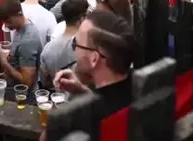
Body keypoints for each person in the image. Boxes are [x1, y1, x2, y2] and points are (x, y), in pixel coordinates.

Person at [48, 10, 135, 140]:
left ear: (94, 59)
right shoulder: (140, 85)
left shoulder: (77, 121)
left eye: (76, 44)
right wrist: (83, 91)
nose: (75, 50)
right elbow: (108, 101)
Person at [40, 0, 88, 87]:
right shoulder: (88, 47)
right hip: (85, 98)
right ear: (82, 19)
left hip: (58, 97)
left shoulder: (48, 48)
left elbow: (45, 82)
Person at [0, 0, 43, 90]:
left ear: (19, 14)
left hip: (21, 97)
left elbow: (27, 82)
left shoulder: (27, 41)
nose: (7, 26)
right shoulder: (21, 27)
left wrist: (5, 63)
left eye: (9, 21)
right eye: (4, 22)